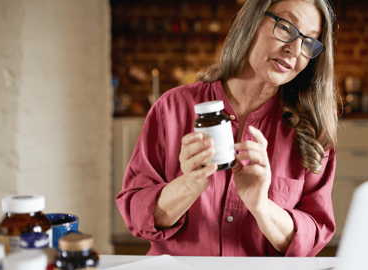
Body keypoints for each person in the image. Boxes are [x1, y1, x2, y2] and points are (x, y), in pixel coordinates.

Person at [116, 0, 338, 257]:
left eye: (309, 42)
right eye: (286, 28)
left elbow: (312, 238)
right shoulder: (172, 108)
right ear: (251, 22)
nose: (294, 49)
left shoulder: (313, 132)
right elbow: (136, 215)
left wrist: (261, 206)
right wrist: (188, 186)